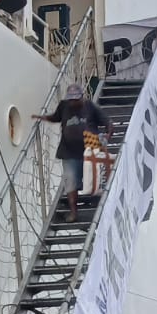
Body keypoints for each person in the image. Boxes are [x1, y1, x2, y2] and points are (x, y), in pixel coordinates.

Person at [33, 82, 112, 222]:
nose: (74, 102)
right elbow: (55, 117)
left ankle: (100, 209)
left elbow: (108, 123)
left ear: (82, 97)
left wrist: (107, 136)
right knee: (71, 181)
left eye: (76, 99)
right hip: (69, 153)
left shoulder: (90, 106)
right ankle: (73, 213)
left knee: (95, 179)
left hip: (90, 153)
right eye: (71, 99)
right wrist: (42, 117)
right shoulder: (64, 106)